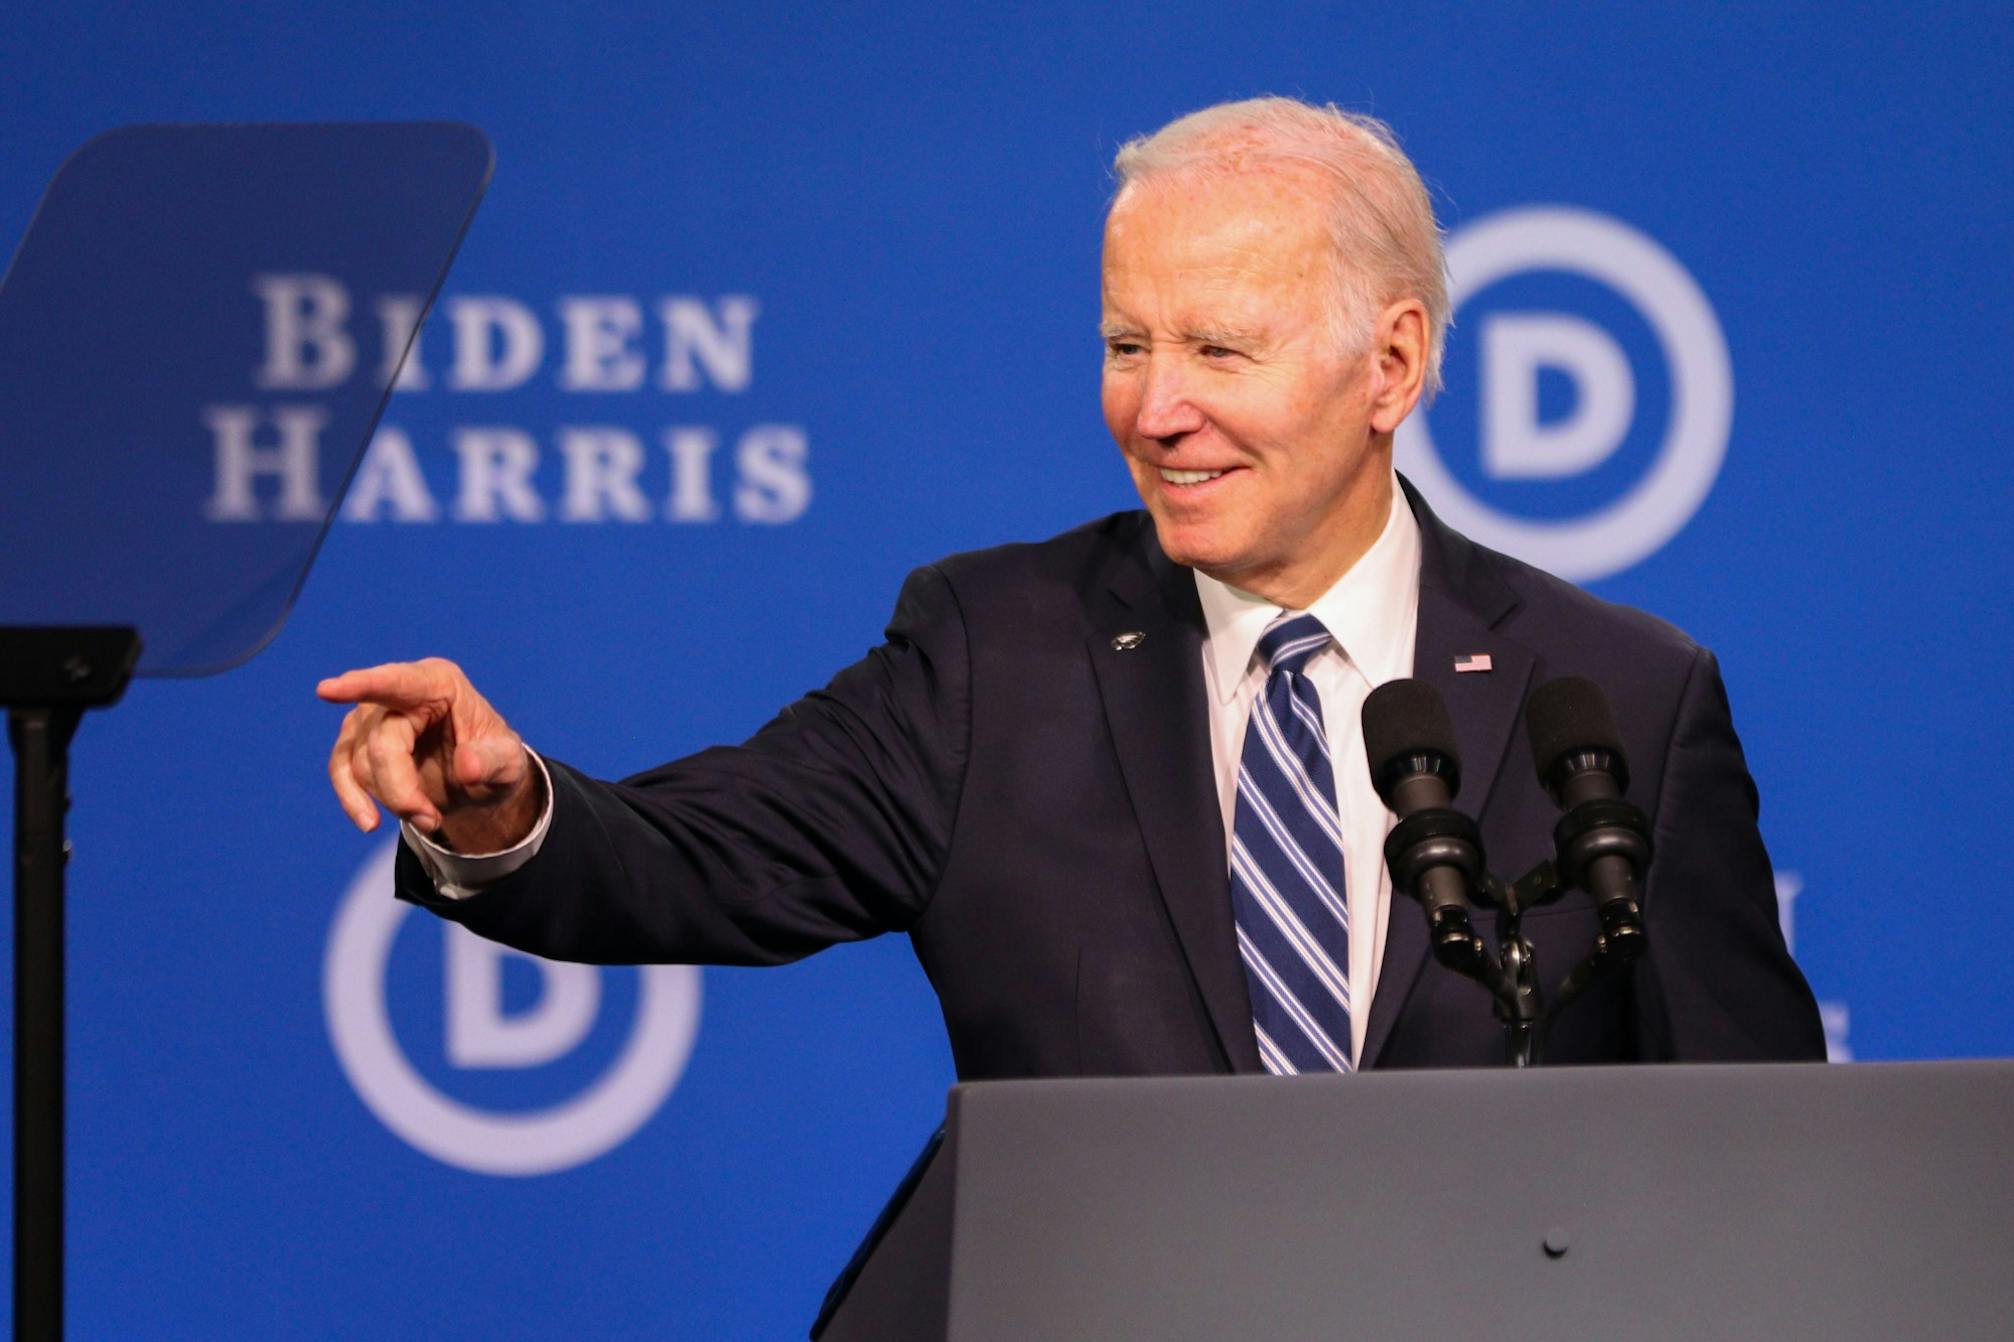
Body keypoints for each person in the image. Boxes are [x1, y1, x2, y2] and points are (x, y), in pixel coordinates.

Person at [320, 97, 1823, 1077]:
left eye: (1218, 349)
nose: (1155, 410)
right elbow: (701, 854)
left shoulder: (1617, 697)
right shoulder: (996, 656)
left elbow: (1757, 1145)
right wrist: (505, 810)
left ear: (1393, 364)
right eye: (1125, 345)